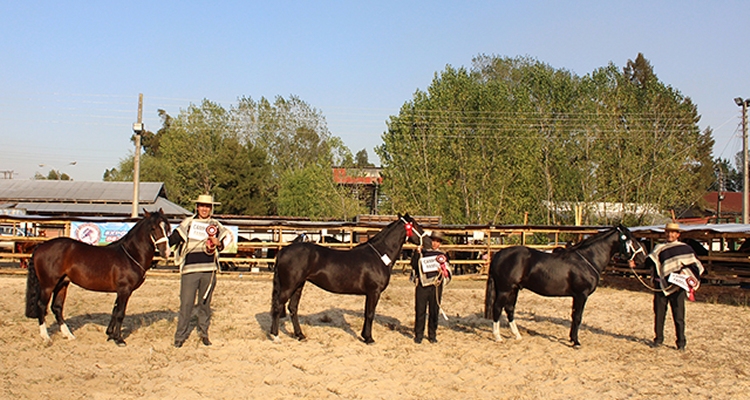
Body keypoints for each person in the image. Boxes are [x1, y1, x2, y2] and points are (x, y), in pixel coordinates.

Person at [630, 222, 704, 350]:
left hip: (678, 287)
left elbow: (695, 266)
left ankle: (681, 342)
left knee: (679, 316)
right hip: (660, 286)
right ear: (665, 233)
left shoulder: (685, 249)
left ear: (678, 234)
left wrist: (685, 273)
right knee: (659, 314)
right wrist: (635, 265)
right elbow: (649, 263)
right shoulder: (659, 248)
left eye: (673, 232)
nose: (670, 234)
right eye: (668, 232)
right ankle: (658, 339)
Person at [169, 194, 230, 348]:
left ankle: (203, 333)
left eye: (207, 206)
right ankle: (180, 336)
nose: (204, 209)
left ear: (211, 208)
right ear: (197, 207)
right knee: (186, 304)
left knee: (205, 304)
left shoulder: (216, 225)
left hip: (209, 270)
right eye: (202, 206)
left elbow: (225, 241)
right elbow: (174, 238)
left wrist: (218, 243)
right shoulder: (188, 223)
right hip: (190, 270)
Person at [410, 230, 452, 344]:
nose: (435, 244)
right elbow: (414, 266)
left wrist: (443, 272)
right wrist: (417, 253)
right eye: (433, 241)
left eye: (437, 241)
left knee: (434, 310)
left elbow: (447, 270)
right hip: (422, 285)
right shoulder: (423, 252)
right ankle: (419, 334)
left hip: (436, 285)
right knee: (420, 310)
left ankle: (432, 334)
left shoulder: (443, 255)